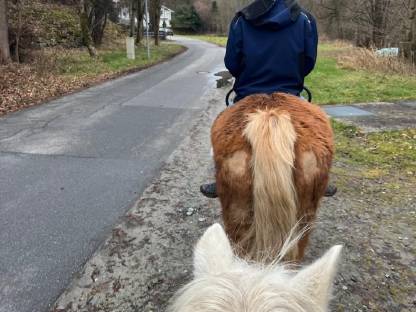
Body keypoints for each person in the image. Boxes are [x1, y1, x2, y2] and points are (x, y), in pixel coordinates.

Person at [200, 0, 337, 198]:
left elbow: (232, 63)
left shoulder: (241, 20)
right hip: (290, 93)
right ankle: (317, 176)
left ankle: (222, 178)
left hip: (248, 93)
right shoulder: (305, 19)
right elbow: (308, 62)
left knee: (222, 130)